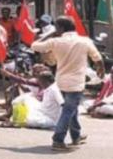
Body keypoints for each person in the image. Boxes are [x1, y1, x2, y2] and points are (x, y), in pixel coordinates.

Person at [32, 16, 104, 151]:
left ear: (61, 28)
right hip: (76, 83)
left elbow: (34, 45)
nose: (56, 30)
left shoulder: (55, 41)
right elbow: (97, 57)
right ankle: (58, 139)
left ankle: (76, 136)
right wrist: (101, 69)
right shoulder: (84, 41)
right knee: (69, 110)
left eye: (57, 27)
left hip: (61, 81)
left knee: (72, 110)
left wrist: (49, 34)